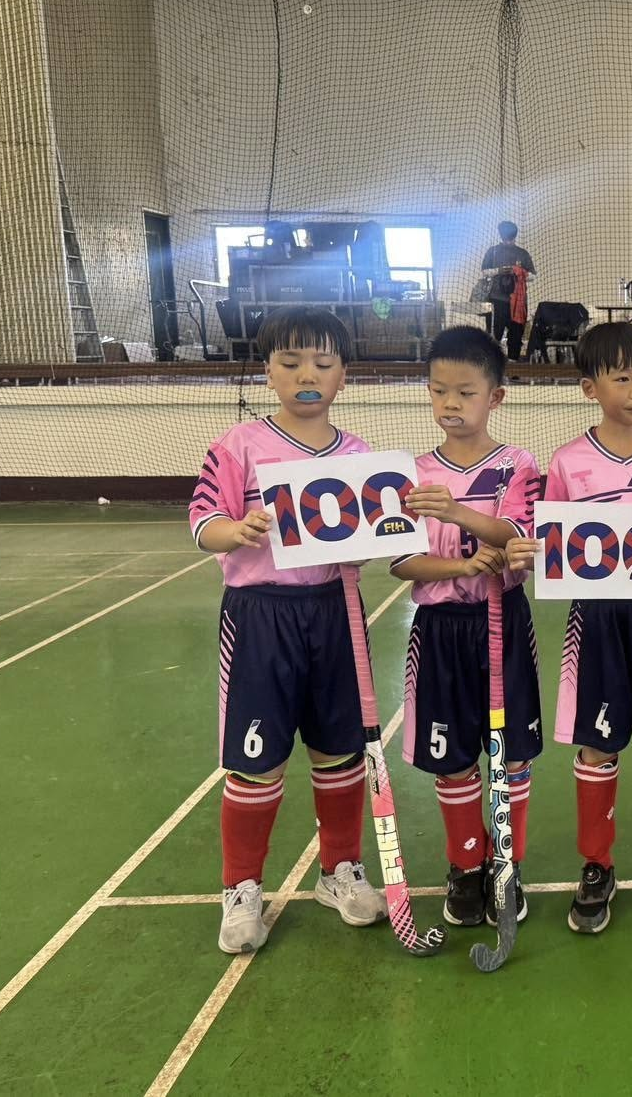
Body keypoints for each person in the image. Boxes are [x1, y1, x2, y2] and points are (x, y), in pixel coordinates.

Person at [188, 307, 388, 954]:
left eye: (323, 364)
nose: (307, 375)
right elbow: (202, 523)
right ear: (268, 372)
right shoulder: (238, 445)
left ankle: (340, 871)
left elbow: (369, 543)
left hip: (334, 610)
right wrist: (235, 529)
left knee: (339, 750)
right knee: (256, 760)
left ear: (343, 376)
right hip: (259, 616)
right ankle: (241, 887)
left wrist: (376, 537)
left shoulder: (357, 456)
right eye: (291, 362)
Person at [505, 322, 632, 934]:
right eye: (623, 377)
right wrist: (532, 552)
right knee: (598, 747)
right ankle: (597, 865)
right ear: (590, 388)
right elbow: (555, 545)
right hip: (597, 620)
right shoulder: (568, 463)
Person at [391, 326, 544, 929]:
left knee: (511, 755)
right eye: (438, 391)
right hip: (440, 628)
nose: (450, 403)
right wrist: (459, 565)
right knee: (451, 756)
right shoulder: (410, 474)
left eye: (465, 391)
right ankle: (466, 864)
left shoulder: (518, 465)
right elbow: (401, 562)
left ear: (495, 397)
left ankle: (508, 863)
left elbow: (520, 536)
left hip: (504, 621)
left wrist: (457, 513)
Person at [480, 221, 536, 363]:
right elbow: (484, 271)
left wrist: (518, 272)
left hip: (518, 302)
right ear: (501, 235)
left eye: (510, 237)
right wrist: (499, 270)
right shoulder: (493, 251)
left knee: (516, 335)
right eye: (506, 237)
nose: (508, 240)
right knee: (494, 335)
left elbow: (533, 276)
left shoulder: (522, 253)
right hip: (496, 300)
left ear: (514, 236)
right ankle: (493, 364)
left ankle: (513, 365)